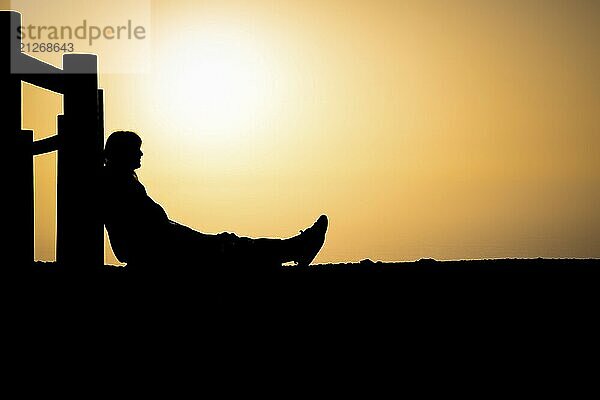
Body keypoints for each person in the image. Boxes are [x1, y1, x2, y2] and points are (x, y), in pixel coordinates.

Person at [102, 130, 328, 272]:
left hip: (165, 246)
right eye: (136, 150)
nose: (141, 155)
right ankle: (296, 248)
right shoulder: (119, 184)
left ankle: (293, 249)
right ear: (124, 153)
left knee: (228, 245)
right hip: (160, 252)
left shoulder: (121, 183)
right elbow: (147, 230)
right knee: (228, 247)